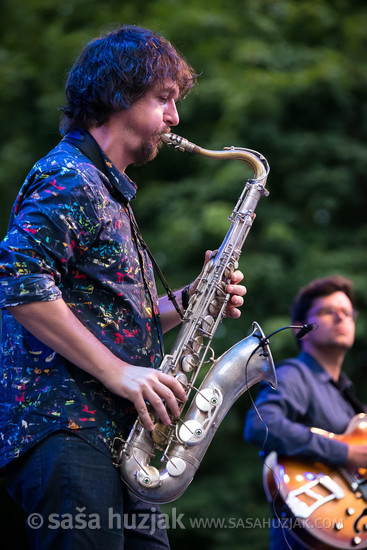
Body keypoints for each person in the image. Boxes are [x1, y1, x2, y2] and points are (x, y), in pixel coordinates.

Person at [0, 25, 247, 550]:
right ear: (117, 95)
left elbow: (108, 319)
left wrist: (192, 300)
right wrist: (120, 373)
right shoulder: (71, 176)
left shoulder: (109, 192)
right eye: (164, 99)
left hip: (120, 441)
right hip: (68, 430)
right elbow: (19, 282)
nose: (175, 118)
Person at [245, 275, 367, 550]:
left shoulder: (347, 395)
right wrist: (345, 452)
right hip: (308, 533)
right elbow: (261, 424)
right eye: (328, 311)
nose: (341, 318)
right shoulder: (294, 375)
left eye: (347, 313)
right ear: (302, 328)